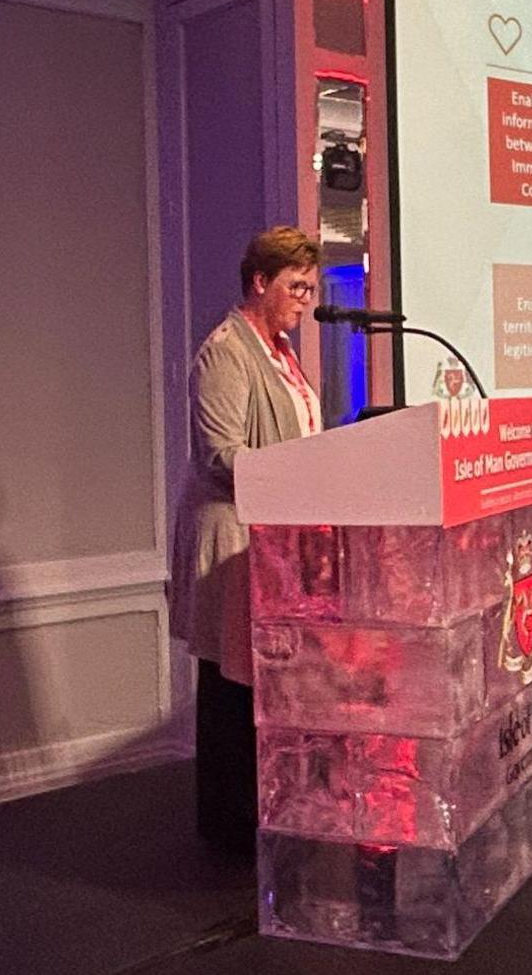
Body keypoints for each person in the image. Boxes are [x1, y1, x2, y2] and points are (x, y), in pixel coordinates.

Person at [170, 226, 323, 855]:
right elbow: (221, 453)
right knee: (230, 686)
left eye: (311, 288)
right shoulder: (226, 352)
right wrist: (303, 476)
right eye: (296, 286)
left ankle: (266, 815)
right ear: (259, 282)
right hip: (231, 540)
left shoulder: (281, 351)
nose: (307, 299)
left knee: (260, 682)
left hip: (273, 539)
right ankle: (229, 833)